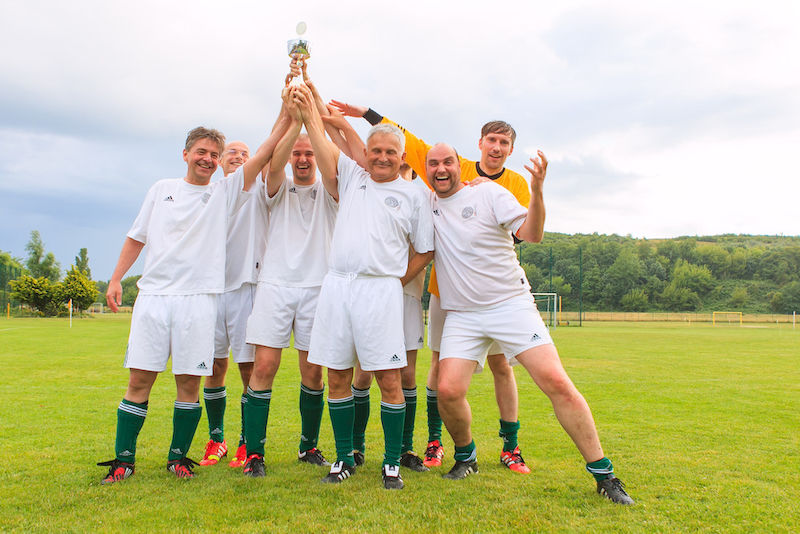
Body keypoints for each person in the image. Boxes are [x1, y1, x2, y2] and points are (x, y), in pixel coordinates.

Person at [425, 142, 634, 504]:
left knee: (555, 381)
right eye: (433, 163)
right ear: (425, 169)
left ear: (460, 166)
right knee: (447, 391)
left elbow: (532, 233)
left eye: (447, 162)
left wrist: (537, 192)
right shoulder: (425, 203)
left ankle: (605, 475)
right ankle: (466, 456)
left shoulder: (489, 192)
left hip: (510, 304)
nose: (441, 169)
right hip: (462, 314)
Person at [330, 102, 531, 473]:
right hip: (443, 291)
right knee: (412, 370)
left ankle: (510, 446)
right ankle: (427, 441)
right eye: (491, 140)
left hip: (495, 293)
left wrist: (483, 196)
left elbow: (515, 234)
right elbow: (401, 141)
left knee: (501, 365)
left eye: (504, 142)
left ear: (510, 148)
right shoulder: (449, 169)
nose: (496, 147)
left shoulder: (513, 183)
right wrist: (362, 115)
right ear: (480, 143)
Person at [97, 114, 289, 484]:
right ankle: (124, 461)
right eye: (201, 152)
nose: (208, 159)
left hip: (200, 300)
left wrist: (287, 112)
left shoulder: (224, 193)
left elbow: (264, 152)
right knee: (140, 380)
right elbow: (137, 236)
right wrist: (117, 277)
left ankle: (178, 458)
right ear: (185, 154)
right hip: (154, 298)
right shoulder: (161, 189)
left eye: (214, 154)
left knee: (189, 383)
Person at [295, 84, 434, 490]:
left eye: (391, 152)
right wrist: (308, 99)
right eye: (377, 151)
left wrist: (393, 278)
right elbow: (323, 139)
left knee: (389, 379)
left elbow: (425, 251)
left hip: (381, 293)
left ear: (402, 157)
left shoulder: (413, 196)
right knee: (336, 375)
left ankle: (391, 463)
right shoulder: (352, 177)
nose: (383, 157)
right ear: (366, 154)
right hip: (337, 289)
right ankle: (342, 459)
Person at [240, 84, 339, 477]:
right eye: (297, 153)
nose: (302, 159)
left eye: (308, 153)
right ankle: (254, 454)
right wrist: (292, 119)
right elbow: (272, 164)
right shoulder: (275, 188)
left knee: (314, 373)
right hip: (276, 286)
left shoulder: (331, 188)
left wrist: (311, 115)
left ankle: (308, 446)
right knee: (264, 367)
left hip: (319, 287)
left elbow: (330, 158)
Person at [349, 163, 430, 473]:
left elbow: (427, 249)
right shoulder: (368, 187)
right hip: (369, 294)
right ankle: (356, 446)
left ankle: (405, 449)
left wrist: (395, 282)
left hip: (406, 295)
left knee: (407, 375)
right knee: (364, 372)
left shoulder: (420, 193)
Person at [199, 140, 269, 469]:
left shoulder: (258, 189)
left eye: (245, 154)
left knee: (247, 368)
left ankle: (245, 440)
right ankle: (217, 438)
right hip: (211, 291)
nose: (239, 158)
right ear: (220, 161)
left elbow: (269, 156)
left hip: (245, 287)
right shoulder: (210, 194)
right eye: (233, 153)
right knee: (213, 367)